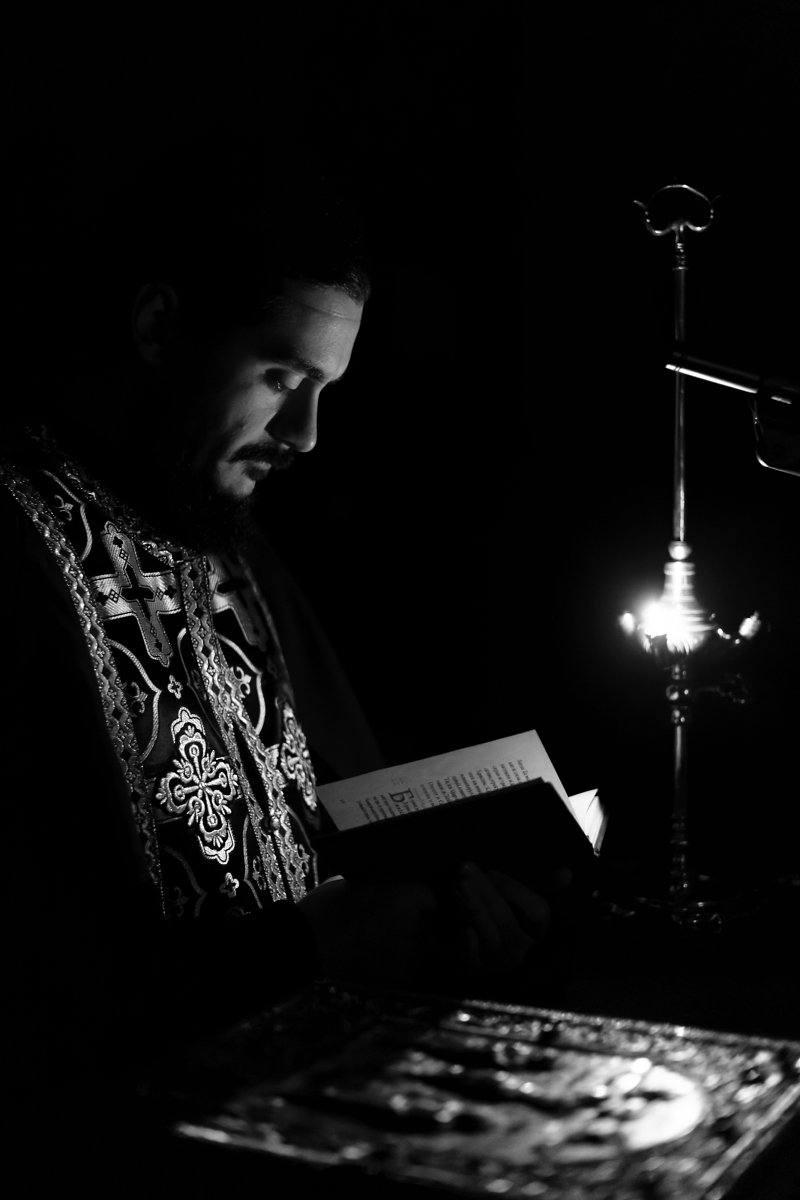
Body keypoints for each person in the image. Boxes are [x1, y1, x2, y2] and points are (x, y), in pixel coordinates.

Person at [3, 134, 573, 1181]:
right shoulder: (9, 550)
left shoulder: (228, 540)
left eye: (324, 388)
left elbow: (344, 810)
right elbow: (40, 978)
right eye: (279, 375)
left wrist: (450, 897)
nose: (305, 433)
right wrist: (314, 946)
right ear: (158, 328)